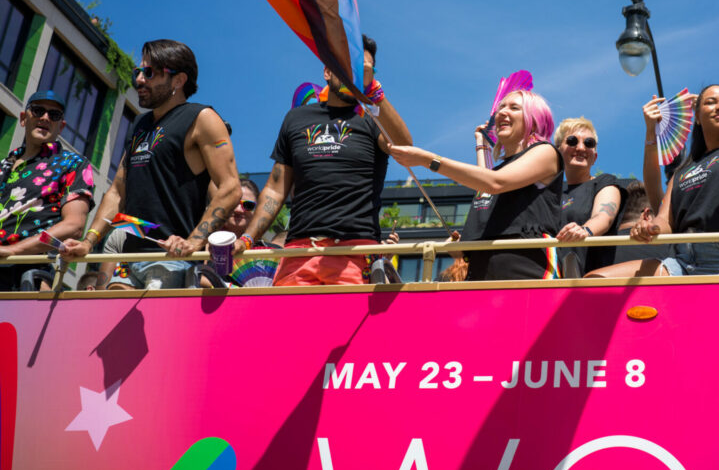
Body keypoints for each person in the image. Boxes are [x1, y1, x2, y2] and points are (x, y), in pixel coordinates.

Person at [589, 0, 719, 277]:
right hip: (681, 261)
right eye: (710, 102)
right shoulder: (685, 170)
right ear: (697, 116)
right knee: (595, 281)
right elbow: (665, 221)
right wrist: (649, 229)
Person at [63, 40, 241, 288]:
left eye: (149, 73)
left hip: (172, 260)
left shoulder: (202, 118)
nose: (139, 80)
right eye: (138, 72)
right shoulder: (140, 124)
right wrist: (88, 242)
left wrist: (193, 242)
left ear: (178, 80)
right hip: (129, 256)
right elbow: (116, 193)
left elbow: (231, 187)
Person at [241, 35, 412, 286]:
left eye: (363, 70)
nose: (355, 76)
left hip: (354, 254)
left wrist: (374, 94)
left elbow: (405, 148)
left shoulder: (372, 118)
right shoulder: (295, 119)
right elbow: (276, 189)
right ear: (328, 71)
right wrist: (247, 238)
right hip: (298, 252)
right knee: (286, 325)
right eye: (349, 67)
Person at [390, 89, 563, 280]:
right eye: (501, 107)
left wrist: (429, 160)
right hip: (482, 268)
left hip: (527, 267)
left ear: (535, 120)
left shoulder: (546, 152)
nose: (502, 112)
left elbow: (495, 183)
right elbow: (487, 185)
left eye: (514, 108)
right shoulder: (499, 171)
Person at [0, 90, 95, 291]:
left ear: (61, 127)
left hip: (26, 273)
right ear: (24, 118)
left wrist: (12, 250)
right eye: (38, 110)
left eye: (54, 115)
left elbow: (73, 226)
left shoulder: (72, 164)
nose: (45, 118)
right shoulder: (2, 166)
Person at [553, 117, 623, 274]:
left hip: (591, 278)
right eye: (572, 141)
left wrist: (585, 230)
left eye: (588, 143)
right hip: (551, 279)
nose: (580, 147)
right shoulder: (551, 193)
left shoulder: (604, 182)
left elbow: (604, 217)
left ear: (595, 156)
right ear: (558, 151)